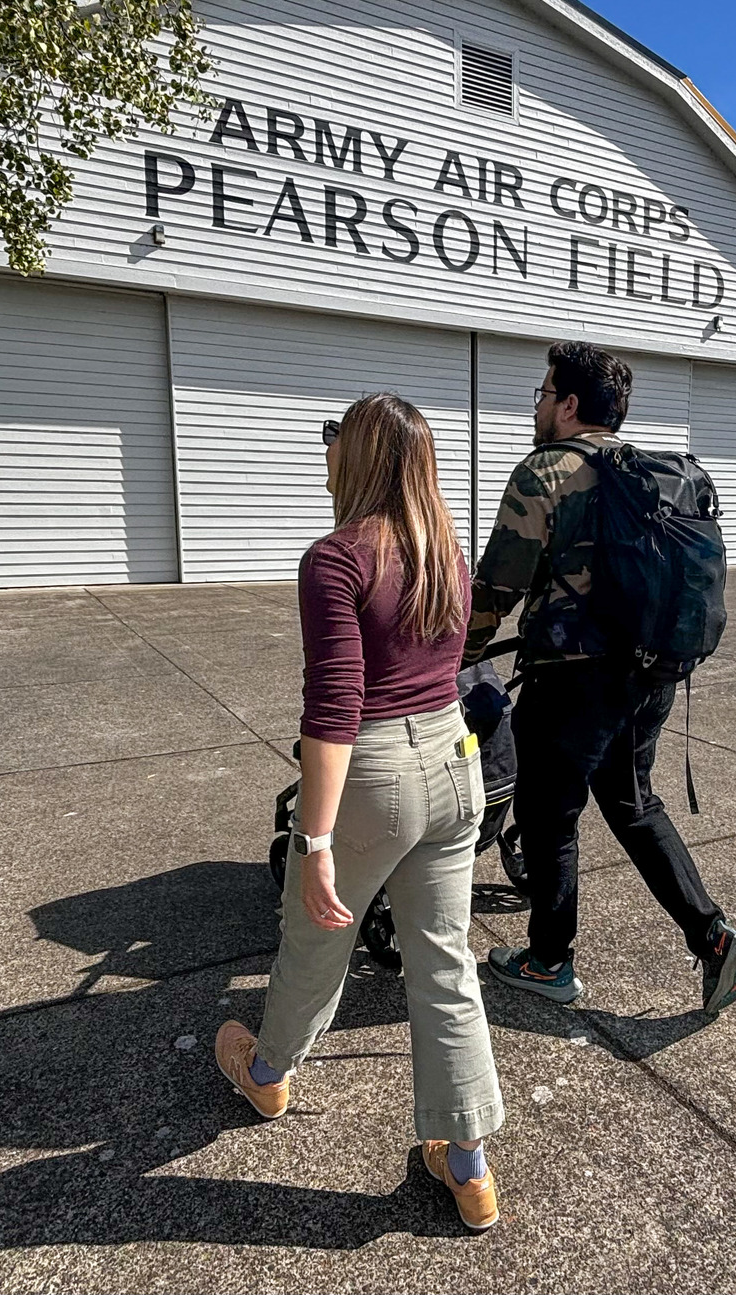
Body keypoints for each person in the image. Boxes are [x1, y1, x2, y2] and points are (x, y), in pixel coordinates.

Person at [215, 393, 506, 1232]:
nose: (326, 451)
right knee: (444, 963)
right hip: (455, 762)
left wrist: (311, 841)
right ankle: (467, 1161)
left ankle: (268, 1071)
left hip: (376, 769)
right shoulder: (444, 553)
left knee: (317, 933)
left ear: (357, 458)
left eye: (333, 439)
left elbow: (334, 705)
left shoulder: (336, 558)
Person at [465, 341, 736, 1017]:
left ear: (568, 404)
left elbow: (495, 588)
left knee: (547, 814)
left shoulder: (547, 470)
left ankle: (548, 960)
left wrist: (452, 653)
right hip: (651, 672)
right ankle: (714, 937)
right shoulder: (656, 473)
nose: (537, 406)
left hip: (571, 682)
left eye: (543, 394)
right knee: (632, 804)